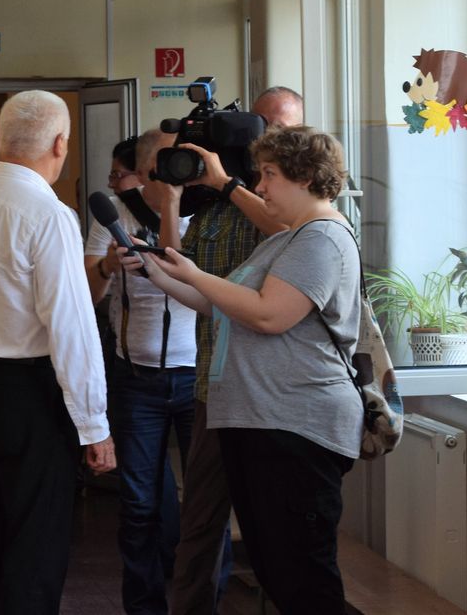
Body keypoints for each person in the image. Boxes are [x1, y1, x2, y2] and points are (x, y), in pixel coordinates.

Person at [122, 125, 362, 615]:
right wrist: (158, 271)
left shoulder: (322, 238)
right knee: (278, 569)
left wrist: (194, 273)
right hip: (263, 421)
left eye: (270, 175)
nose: (261, 186)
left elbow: (269, 315)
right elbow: (222, 305)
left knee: (303, 577)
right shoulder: (291, 238)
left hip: (295, 424)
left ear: (305, 177)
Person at [0, 90, 116, 614]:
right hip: (30, 392)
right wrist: (94, 424)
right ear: (60, 143)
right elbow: (71, 325)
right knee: (36, 544)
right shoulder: (48, 213)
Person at [157, 86, 304, 615]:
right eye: (262, 127)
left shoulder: (299, 202)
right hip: (213, 387)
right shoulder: (216, 209)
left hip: (273, 394)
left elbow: (289, 228)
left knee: (277, 524)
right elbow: (188, 276)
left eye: (282, 129)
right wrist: (171, 202)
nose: (269, 139)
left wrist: (228, 184)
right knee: (199, 523)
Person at [85, 128, 196, 615]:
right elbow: (87, 293)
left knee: (205, 504)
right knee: (137, 505)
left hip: (198, 376)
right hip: (136, 378)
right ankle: (144, 606)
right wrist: (109, 266)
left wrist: (172, 207)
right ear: (146, 170)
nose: (177, 173)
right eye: (167, 164)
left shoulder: (207, 214)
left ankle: (201, 604)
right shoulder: (112, 213)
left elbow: (178, 274)